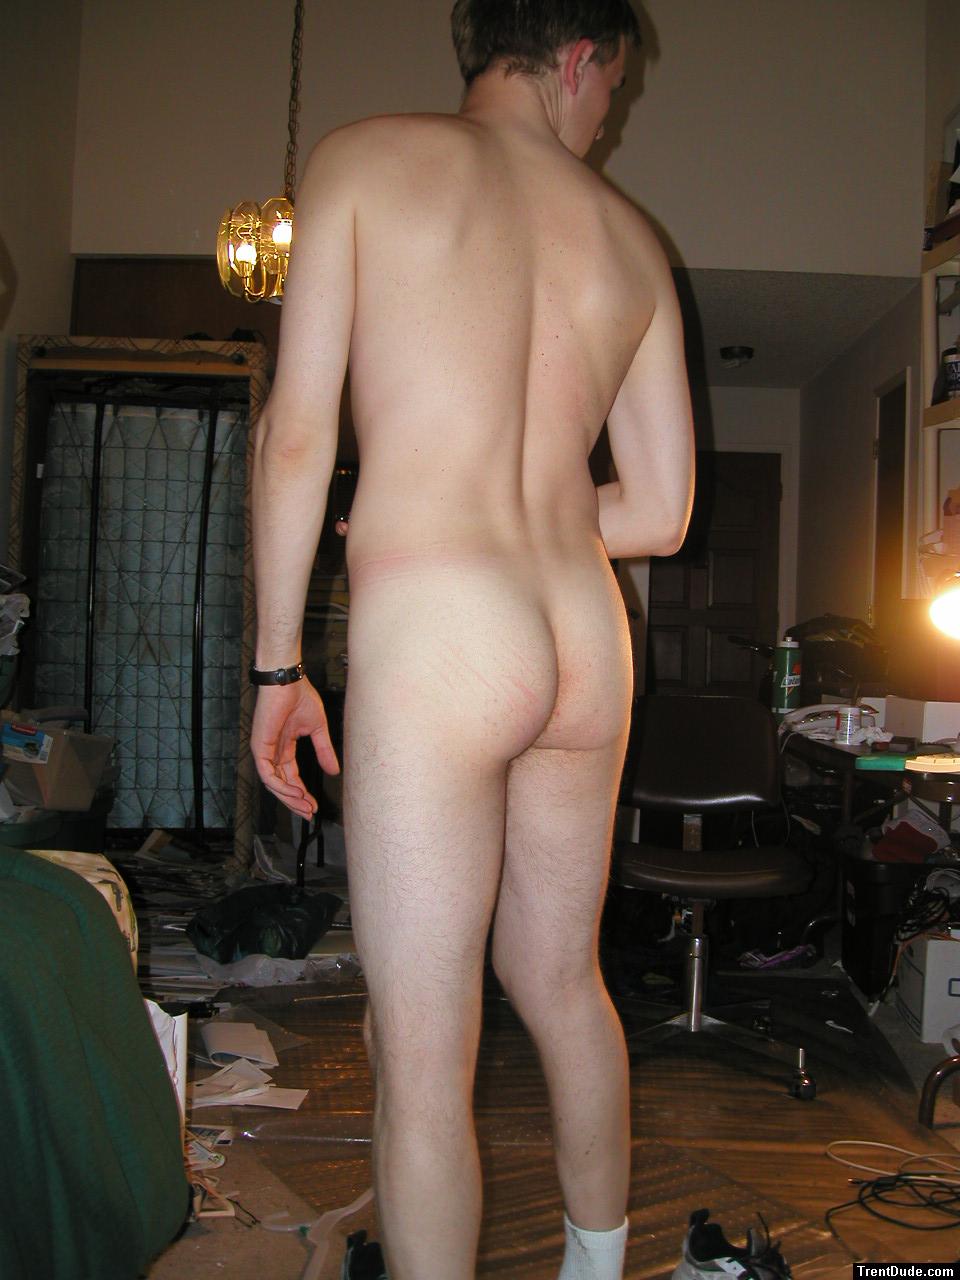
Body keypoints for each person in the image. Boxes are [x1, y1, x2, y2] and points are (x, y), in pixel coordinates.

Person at [249, 2, 694, 1276]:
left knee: (424, 1049)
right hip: (585, 635)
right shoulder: (634, 240)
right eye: (613, 88)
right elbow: (661, 512)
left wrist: (278, 665)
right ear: (577, 59)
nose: (607, 114)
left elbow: (296, 436)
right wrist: (535, 513)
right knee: (563, 984)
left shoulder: (360, 160)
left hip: (442, 627)